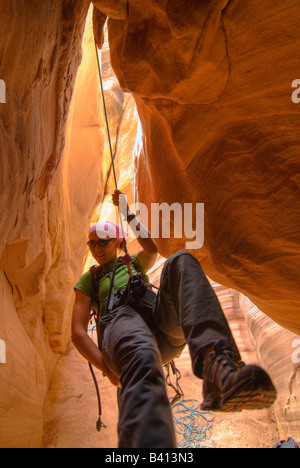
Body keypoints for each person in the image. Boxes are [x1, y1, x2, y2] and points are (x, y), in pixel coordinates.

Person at [72, 190, 277, 448]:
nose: (96, 248)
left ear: (117, 242)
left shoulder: (133, 262)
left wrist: (126, 209)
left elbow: (151, 247)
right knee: (140, 350)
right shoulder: (89, 279)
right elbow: (78, 332)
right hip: (120, 326)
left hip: (158, 326)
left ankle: (217, 366)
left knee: (181, 259)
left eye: (103, 241)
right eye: (91, 244)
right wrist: (107, 368)